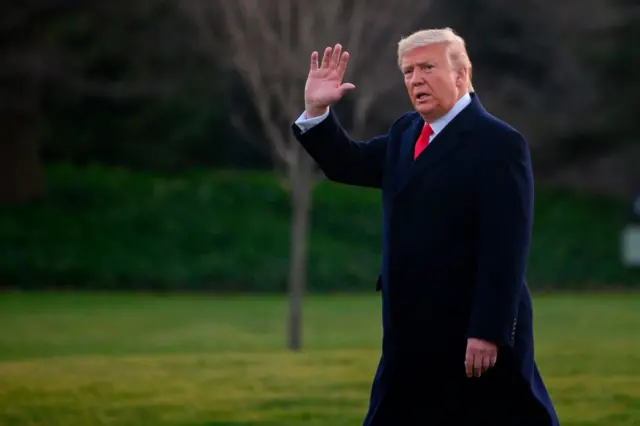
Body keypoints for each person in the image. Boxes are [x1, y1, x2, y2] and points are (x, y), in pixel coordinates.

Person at [291, 28, 560, 425]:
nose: (415, 79)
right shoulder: (406, 131)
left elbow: (506, 247)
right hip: (408, 332)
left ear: (461, 73)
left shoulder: (499, 143)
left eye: (427, 67)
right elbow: (348, 163)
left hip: (471, 335)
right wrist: (316, 112)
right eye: (408, 71)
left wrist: (488, 330)